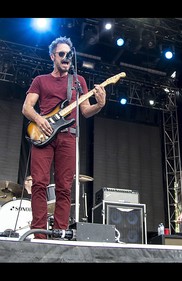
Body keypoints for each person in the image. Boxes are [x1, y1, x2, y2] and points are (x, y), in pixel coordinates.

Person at [22, 36, 106, 239]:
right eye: (61, 54)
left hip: (68, 137)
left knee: (64, 188)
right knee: (39, 184)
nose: (66, 57)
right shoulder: (40, 80)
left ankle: (59, 233)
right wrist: (40, 120)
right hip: (44, 134)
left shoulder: (79, 82)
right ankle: (39, 234)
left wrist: (99, 105)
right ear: (53, 56)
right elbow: (26, 107)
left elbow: (85, 111)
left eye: (69, 54)